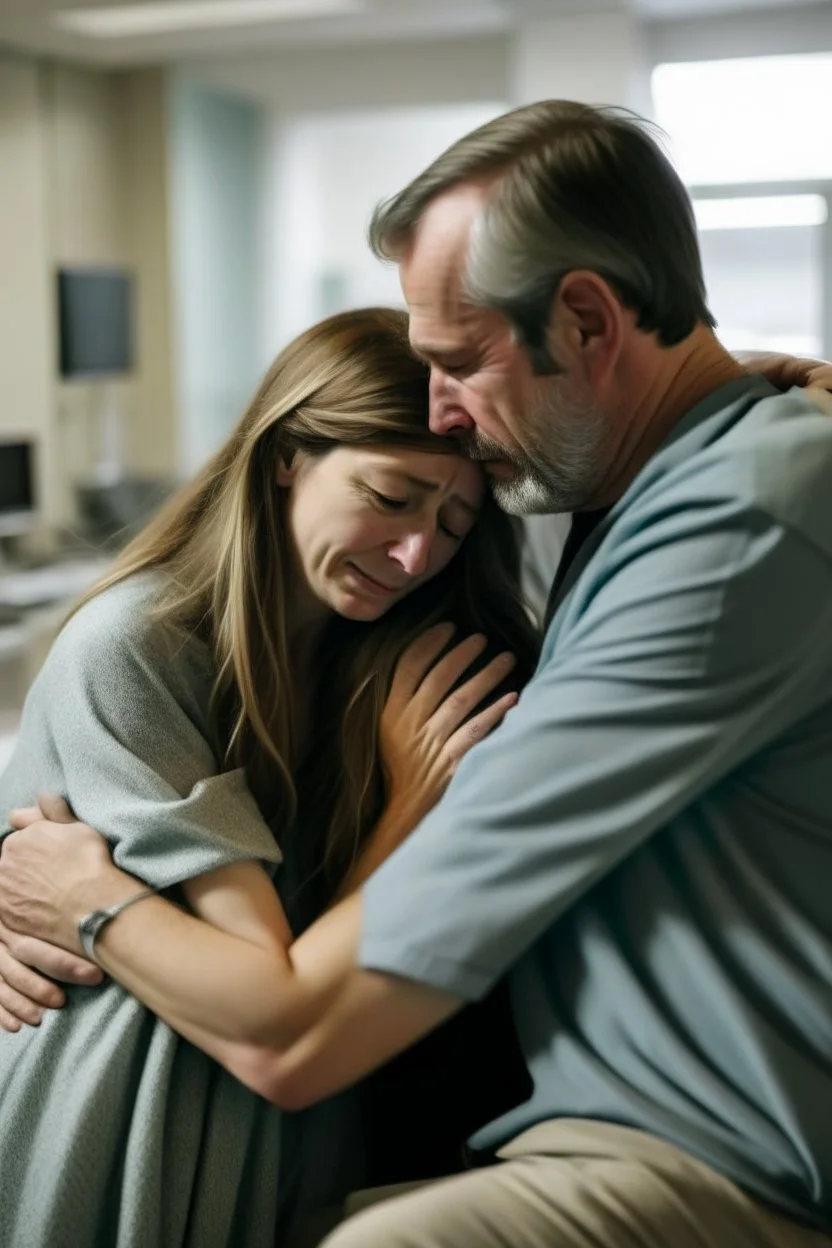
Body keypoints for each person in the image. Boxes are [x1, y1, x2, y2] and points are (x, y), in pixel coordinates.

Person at [4, 101, 832, 1248]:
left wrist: (79, 897)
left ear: (588, 320)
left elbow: (287, 1026)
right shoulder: (620, 488)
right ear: (287, 459)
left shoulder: (716, 526)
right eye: (394, 493)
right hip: (251, 1098)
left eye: (456, 362)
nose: (447, 415)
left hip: (685, 1140)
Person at [0, 305, 538, 1248]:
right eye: (393, 494)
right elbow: (272, 991)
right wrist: (407, 814)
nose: (417, 553)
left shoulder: (396, 666)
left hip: (303, 1121)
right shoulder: (135, 648)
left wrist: (771, 380)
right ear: (289, 452)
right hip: (129, 1116)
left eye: (453, 523)